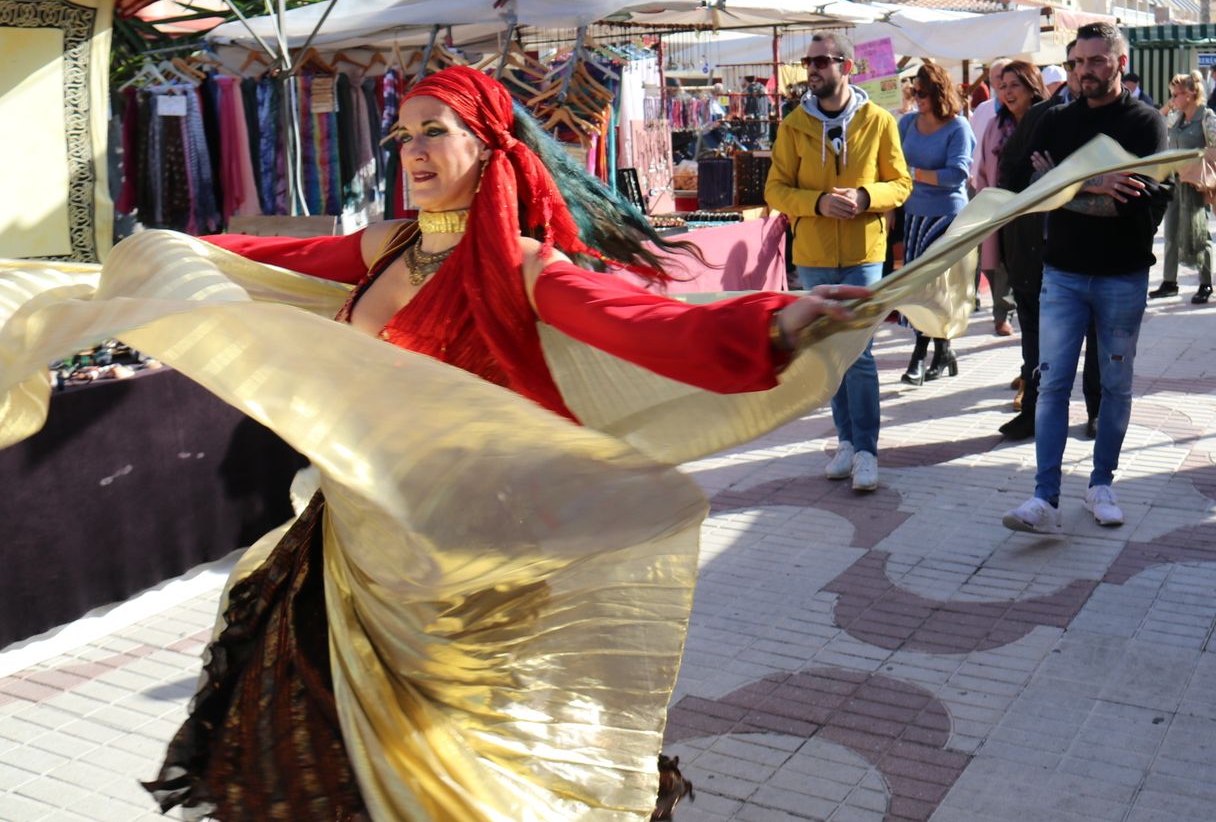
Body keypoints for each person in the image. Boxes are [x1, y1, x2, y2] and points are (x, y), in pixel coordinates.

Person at [138, 66, 864, 821]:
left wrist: (774, 322)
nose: (412, 151)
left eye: (434, 132)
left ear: (485, 146)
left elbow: (648, 324)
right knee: (337, 751)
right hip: (356, 543)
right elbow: (263, 259)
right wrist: (158, 257)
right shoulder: (391, 242)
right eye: (402, 135)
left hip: (468, 559)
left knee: (466, 762)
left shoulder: (520, 264)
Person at [1002, 22, 1169, 533]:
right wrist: (1096, 181)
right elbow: (1032, 189)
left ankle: (1102, 485)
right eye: (1077, 63)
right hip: (1063, 272)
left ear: (1119, 62)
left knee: (1115, 386)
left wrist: (1065, 183)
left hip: (1122, 274)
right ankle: (1044, 498)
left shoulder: (1146, 123)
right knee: (1051, 384)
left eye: (1096, 61)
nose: (1084, 72)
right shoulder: (1053, 120)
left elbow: (1135, 202)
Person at [766, 32, 913, 492]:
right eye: (808, 61)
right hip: (812, 256)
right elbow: (775, 190)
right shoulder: (793, 125)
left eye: (822, 61)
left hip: (865, 253)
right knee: (831, 356)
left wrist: (867, 196)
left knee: (860, 353)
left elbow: (901, 183)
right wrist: (818, 202)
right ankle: (846, 441)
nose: (812, 69)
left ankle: (867, 449)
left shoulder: (879, 120)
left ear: (846, 67)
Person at [897, 62, 976, 385]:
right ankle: (943, 352)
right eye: (914, 92)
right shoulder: (907, 123)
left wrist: (914, 174)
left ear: (938, 92)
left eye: (923, 93)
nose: (917, 99)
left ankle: (920, 356)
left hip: (947, 216)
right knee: (920, 287)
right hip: (914, 214)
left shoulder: (957, 127)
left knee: (935, 287)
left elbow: (956, 175)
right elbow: (894, 163)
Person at [992, 60, 1053, 440]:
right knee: (1030, 322)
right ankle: (1031, 402)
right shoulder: (997, 122)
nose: (1008, 91)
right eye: (1003, 85)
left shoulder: (1048, 121)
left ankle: (1041, 405)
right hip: (1011, 231)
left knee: (1046, 326)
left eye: (1016, 84)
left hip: (1045, 238)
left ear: (1032, 86)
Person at [1150, 70, 1216, 305]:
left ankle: (1205, 283)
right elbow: (1156, 120)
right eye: (1171, 94)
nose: (1172, 98)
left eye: (1176, 93)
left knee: (1200, 233)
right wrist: (1170, 104)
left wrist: (1198, 161)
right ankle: (1169, 282)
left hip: (1196, 184)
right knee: (1171, 231)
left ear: (1192, 93)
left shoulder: (1207, 118)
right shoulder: (1176, 117)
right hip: (1175, 182)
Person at [971, 58, 1017, 338]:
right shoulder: (984, 110)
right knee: (986, 256)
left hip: (1012, 199)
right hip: (981, 190)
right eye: (997, 79)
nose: (1001, 85)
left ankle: (1003, 312)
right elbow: (976, 147)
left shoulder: (1025, 114)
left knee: (1006, 258)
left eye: (1007, 79)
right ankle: (992, 303)